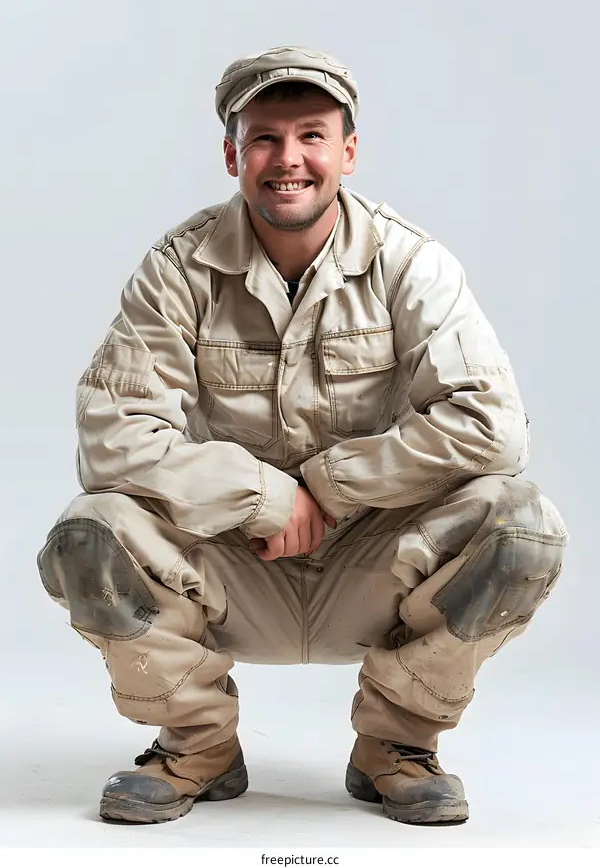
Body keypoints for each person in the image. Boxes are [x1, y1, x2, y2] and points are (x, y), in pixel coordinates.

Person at [37, 45, 568, 827]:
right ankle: (196, 742)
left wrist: (332, 482)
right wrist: (259, 496)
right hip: (231, 566)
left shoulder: (411, 264)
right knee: (88, 532)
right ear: (232, 154)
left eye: (312, 135)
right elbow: (109, 438)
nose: (289, 159)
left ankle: (396, 745)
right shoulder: (176, 270)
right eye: (264, 138)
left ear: (348, 151)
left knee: (523, 526)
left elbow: (492, 427)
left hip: (377, 565)